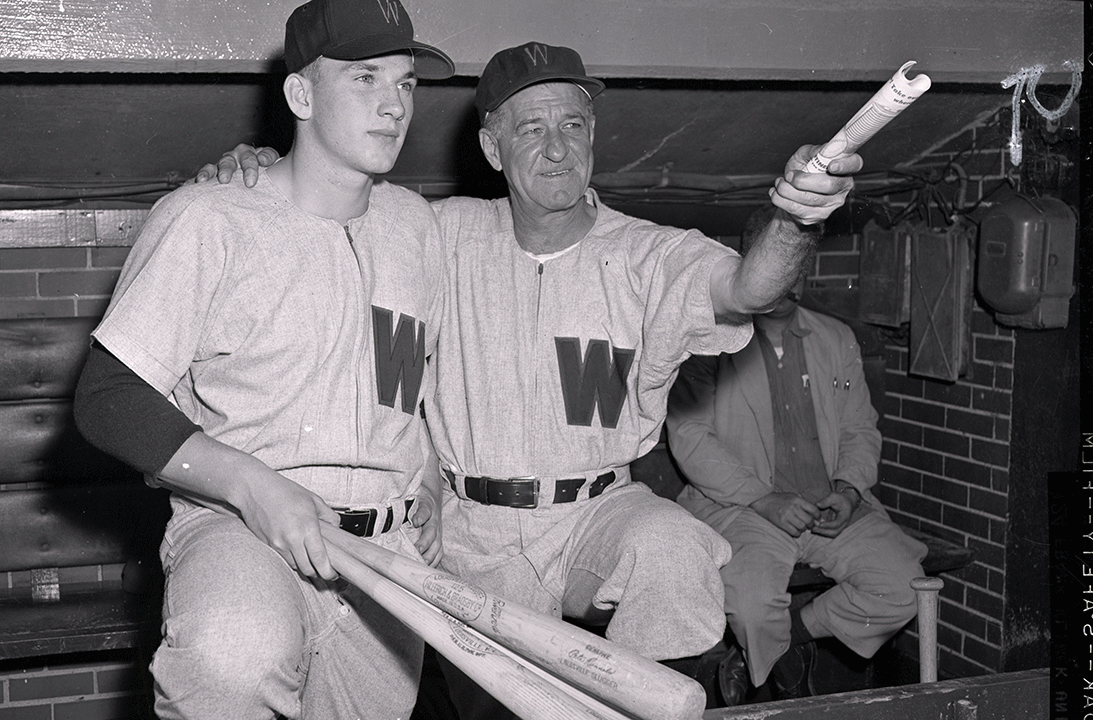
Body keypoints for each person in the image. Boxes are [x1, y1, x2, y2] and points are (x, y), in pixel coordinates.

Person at [201, 41, 862, 718]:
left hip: (595, 513)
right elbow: (318, 201)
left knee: (673, 548)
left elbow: (750, 288)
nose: (557, 148)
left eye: (573, 125)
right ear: (492, 149)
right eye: (532, 129)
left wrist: (796, 217)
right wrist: (260, 173)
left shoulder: (645, 252)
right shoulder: (439, 233)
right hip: (468, 527)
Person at [71, 1, 456, 718]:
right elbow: (107, 397)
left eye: (405, 83)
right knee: (234, 659)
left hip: (384, 554)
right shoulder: (209, 216)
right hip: (243, 528)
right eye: (365, 78)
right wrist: (252, 486)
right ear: (301, 95)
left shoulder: (416, 226)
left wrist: (428, 480)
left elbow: (408, 386)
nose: (393, 105)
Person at [665, 207, 928, 705]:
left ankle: (786, 643)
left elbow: (859, 428)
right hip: (742, 508)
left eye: (801, 269)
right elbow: (691, 437)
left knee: (904, 586)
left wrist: (849, 490)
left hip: (829, 507)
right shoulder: (707, 343)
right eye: (781, 268)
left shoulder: (836, 339)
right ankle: (784, 677)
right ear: (751, 264)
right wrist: (762, 499)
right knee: (749, 599)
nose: (792, 283)